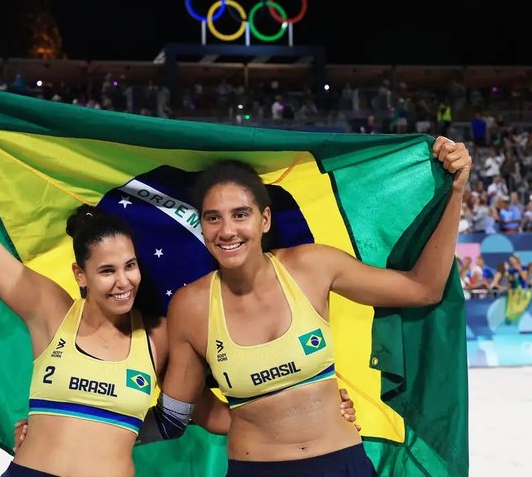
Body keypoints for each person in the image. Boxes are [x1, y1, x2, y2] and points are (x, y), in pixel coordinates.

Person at [0, 84, 360, 477]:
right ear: (79, 276)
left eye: (130, 266)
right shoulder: (49, 312)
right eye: (107, 271)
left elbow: (185, 415)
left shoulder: (160, 335)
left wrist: (305, 418)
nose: (124, 281)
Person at [155, 136, 470, 476]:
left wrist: (455, 192)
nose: (227, 230)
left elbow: (423, 289)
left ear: (265, 220)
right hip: (255, 468)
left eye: (240, 214)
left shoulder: (311, 267)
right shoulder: (192, 305)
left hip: (341, 463)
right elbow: (179, 410)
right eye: (213, 218)